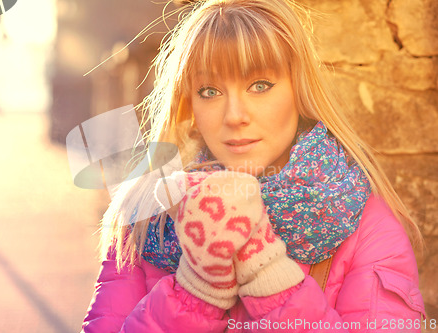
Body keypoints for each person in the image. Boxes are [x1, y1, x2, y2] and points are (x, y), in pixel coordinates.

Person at [82, 0, 426, 331]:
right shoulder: (144, 223)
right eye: (209, 91)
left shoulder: (365, 227)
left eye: (259, 86)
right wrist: (196, 292)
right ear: (189, 104)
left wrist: (270, 277)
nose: (234, 116)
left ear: (299, 90)